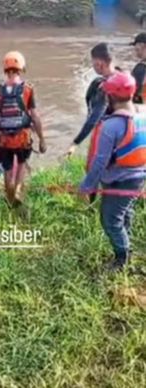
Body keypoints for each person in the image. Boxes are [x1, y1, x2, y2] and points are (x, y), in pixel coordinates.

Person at [79, 72, 146, 272]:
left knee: (110, 219)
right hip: (139, 177)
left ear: (110, 97)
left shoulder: (111, 126)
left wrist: (86, 187)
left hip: (119, 181)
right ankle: (126, 244)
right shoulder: (142, 115)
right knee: (125, 211)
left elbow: (99, 162)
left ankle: (122, 258)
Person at [0, 51, 46, 207]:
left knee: (7, 170)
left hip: (4, 141)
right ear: (21, 68)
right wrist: (42, 139)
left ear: (5, 69)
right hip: (23, 139)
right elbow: (34, 116)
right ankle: (18, 191)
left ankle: (9, 199)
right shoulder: (27, 89)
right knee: (21, 165)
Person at [66, 43, 117, 157]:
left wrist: (75, 143)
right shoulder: (125, 78)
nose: (93, 67)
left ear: (99, 64)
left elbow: (94, 118)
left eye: (93, 63)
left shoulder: (104, 87)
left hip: (110, 137)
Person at [130, 33, 146, 105]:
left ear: (142, 45)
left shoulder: (141, 68)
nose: (135, 48)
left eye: (135, 45)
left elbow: (133, 92)